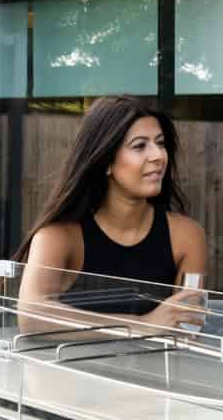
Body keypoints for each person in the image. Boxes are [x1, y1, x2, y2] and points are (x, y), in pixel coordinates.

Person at [13, 95, 207, 328]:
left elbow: (189, 326)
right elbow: (30, 317)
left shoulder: (187, 237)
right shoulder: (58, 237)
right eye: (140, 146)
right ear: (106, 161)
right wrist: (139, 325)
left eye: (161, 143)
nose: (158, 156)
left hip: (156, 364)